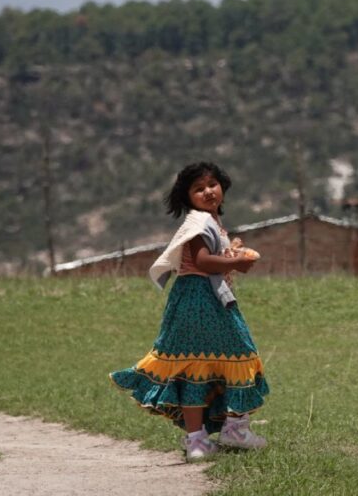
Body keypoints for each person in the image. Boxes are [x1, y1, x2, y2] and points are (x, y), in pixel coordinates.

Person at [111, 161, 269, 462]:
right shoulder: (198, 223)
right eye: (199, 189)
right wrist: (235, 263)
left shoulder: (206, 222)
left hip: (187, 300)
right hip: (202, 297)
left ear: (222, 185)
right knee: (242, 355)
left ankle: (196, 441)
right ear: (188, 198)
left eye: (211, 184)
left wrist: (230, 252)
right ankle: (235, 429)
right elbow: (203, 261)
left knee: (193, 366)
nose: (208, 191)